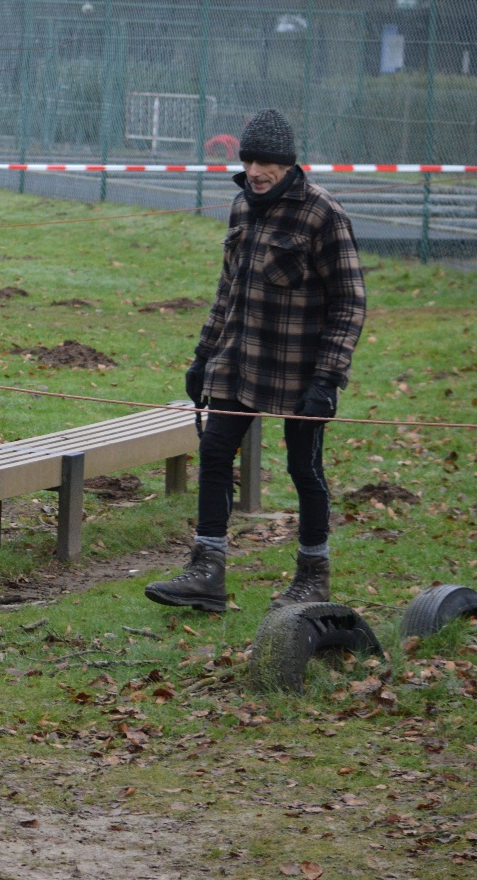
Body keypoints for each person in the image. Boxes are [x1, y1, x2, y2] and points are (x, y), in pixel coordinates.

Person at [145, 108, 365, 614]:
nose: (257, 171)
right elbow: (227, 291)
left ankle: (313, 575)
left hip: (298, 371)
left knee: (303, 469)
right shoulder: (242, 206)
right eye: (249, 160)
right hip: (237, 362)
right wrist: (203, 356)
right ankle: (207, 571)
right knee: (216, 454)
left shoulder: (322, 214)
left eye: (266, 162)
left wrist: (328, 377)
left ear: (288, 164)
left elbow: (350, 302)